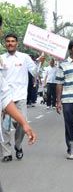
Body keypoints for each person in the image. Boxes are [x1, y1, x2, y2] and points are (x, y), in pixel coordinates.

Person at [0, 33, 44, 162]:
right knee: (5, 126)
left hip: (20, 97)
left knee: (22, 123)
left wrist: (40, 63)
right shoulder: (1, 58)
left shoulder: (25, 58)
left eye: (13, 41)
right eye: (8, 41)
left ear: (17, 44)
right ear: (5, 43)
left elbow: (35, 73)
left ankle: (18, 145)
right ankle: (7, 153)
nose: (10, 43)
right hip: (5, 98)